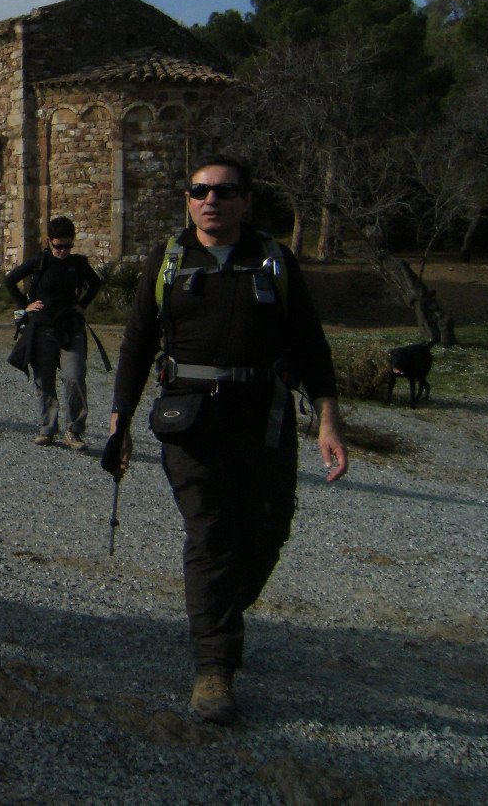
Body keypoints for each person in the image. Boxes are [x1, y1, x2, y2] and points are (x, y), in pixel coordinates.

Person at [103, 157, 348, 725]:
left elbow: (311, 344)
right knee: (211, 532)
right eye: (199, 191)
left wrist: (329, 420)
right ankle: (214, 668)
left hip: (265, 417)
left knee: (265, 530)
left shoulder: (274, 259)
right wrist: (120, 422)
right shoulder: (167, 260)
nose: (210, 200)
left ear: (245, 201)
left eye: (224, 192)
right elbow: (138, 343)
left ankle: (216, 615)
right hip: (188, 421)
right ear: (188, 200)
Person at [3, 216, 101, 449]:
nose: (64, 251)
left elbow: (95, 283)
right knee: (44, 378)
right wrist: (24, 306)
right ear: (49, 242)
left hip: (71, 326)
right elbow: (10, 280)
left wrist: (83, 304)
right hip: (43, 326)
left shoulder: (77, 263)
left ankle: (74, 431)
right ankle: (47, 428)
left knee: (75, 375)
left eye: (68, 246)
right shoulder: (40, 261)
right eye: (59, 246)